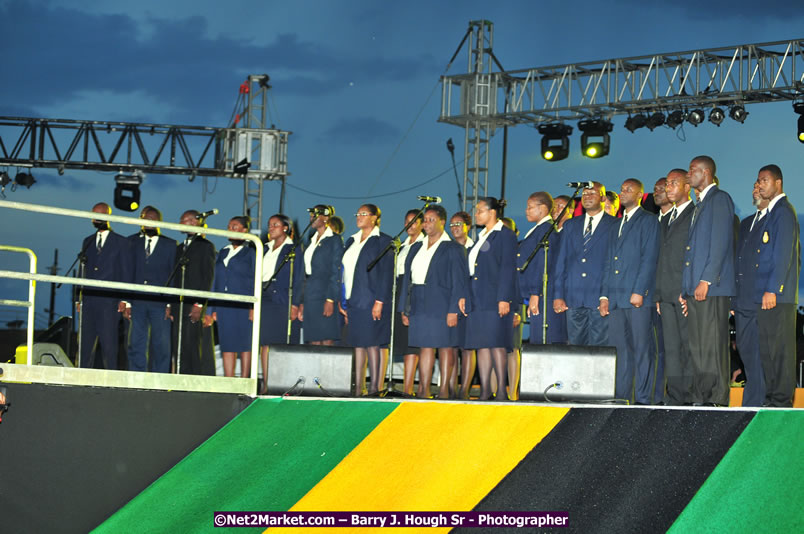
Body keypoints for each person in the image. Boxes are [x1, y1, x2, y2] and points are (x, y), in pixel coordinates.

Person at [682, 155, 736, 406]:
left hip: (711, 288)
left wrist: (705, 280)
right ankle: (701, 397)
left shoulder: (719, 199)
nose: (688, 174)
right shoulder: (700, 204)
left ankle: (717, 399)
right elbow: (693, 251)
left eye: (692, 170)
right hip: (696, 288)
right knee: (698, 346)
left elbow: (720, 243)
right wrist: (686, 288)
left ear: (705, 173)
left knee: (713, 344)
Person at [600, 179, 660, 404]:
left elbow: (649, 258)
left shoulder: (648, 221)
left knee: (642, 349)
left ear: (640, 195)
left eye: (628, 190)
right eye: (622, 189)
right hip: (615, 298)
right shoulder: (616, 224)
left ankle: (643, 398)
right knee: (620, 350)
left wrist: (639, 291)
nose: (623, 192)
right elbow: (608, 261)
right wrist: (604, 296)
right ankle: (621, 396)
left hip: (636, 298)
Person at [400, 205, 468, 399]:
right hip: (419, 302)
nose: (426, 223)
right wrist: (405, 309)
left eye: (431, 220)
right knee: (425, 345)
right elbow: (408, 280)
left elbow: (459, 281)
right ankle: (423, 389)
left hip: (442, 302)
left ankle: (445, 390)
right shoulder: (416, 248)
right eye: (425, 220)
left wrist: (453, 309)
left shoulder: (452, 248)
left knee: (445, 345)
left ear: (442, 222)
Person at [755, 164, 800, 407]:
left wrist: (774, 288)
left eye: (764, 180)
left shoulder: (783, 211)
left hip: (777, 297)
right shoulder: (771, 213)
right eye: (758, 180)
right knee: (768, 351)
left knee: (780, 351)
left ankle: (782, 402)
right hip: (766, 295)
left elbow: (783, 254)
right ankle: (772, 400)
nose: (760, 184)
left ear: (778, 183)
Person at [464, 197, 517, 401]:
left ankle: (502, 390)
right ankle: (486, 389)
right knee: (482, 344)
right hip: (477, 298)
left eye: (479, 211)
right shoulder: (481, 236)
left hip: (495, 297)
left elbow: (507, 268)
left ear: (492, 212)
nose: (476, 214)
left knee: (496, 343)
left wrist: (504, 298)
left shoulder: (504, 235)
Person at [553, 182, 618, 346]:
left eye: (592, 193)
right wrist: (558, 295)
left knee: (599, 349)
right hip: (573, 297)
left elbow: (614, 265)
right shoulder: (570, 225)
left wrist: (607, 295)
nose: (587, 197)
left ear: (603, 198)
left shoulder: (614, 225)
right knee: (575, 348)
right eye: (584, 194)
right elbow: (561, 262)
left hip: (599, 297)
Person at [341, 204, 393, 395]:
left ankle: (374, 387)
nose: (359, 216)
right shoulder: (351, 241)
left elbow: (386, 274)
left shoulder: (383, 241)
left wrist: (380, 301)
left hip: (371, 299)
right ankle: (358, 385)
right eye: (358, 213)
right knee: (358, 342)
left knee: (373, 342)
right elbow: (344, 271)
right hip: (353, 298)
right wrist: (342, 299)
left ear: (374, 218)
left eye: (364, 213)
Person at [656, 169, 695, 405]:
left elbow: (697, 254)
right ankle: (675, 397)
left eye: (674, 183)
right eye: (667, 184)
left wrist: (688, 289)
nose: (668, 188)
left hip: (683, 293)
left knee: (687, 347)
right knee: (671, 348)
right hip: (666, 293)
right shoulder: (666, 218)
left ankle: (690, 396)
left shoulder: (695, 213)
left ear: (687, 187)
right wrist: (658, 295)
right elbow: (661, 258)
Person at [76, 202, 131, 369]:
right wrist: (78, 297)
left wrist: (124, 299)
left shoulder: (121, 242)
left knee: (109, 345)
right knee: (85, 344)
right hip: (89, 300)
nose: (96, 218)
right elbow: (82, 270)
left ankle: (110, 380)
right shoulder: (88, 241)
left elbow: (125, 271)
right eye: (94, 215)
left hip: (109, 302)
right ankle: (82, 377)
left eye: (100, 214)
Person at [126, 206, 176, 373]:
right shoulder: (131, 242)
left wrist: (170, 303)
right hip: (137, 300)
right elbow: (127, 272)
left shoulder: (170, 245)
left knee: (161, 344)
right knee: (135, 342)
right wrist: (126, 301)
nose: (148, 222)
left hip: (160, 302)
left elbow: (173, 275)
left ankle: (160, 378)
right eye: (145, 219)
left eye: (152, 219)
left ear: (159, 221)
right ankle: (137, 377)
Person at [206, 216, 256, 377]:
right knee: (227, 343)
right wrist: (211, 308)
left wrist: (253, 306)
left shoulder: (251, 252)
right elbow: (215, 280)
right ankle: (229, 381)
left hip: (243, 304)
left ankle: (244, 379)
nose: (230, 229)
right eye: (229, 226)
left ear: (244, 230)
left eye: (234, 227)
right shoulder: (223, 252)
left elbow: (256, 280)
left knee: (245, 344)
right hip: (223, 305)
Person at [733, 181, 768, 407]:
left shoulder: (775, 219)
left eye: (759, 186)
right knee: (745, 350)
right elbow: (738, 261)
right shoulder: (745, 223)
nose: (754, 190)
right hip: (742, 300)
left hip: (762, 298)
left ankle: (761, 400)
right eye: (753, 187)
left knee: (760, 352)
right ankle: (752, 399)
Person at [259, 214, 302, 394]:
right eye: (269, 225)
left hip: (282, 299)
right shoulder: (264, 248)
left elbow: (299, 277)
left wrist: (296, 304)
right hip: (264, 296)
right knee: (264, 343)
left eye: (275, 224)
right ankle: (267, 383)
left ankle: (281, 383)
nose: (271, 227)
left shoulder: (293, 249)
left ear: (285, 228)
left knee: (279, 343)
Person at [170, 210, 216, 375]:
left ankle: (194, 380)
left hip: (193, 303)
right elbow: (175, 277)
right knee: (178, 344)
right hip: (179, 304)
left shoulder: (206, 246)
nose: (181, 223)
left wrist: (199, 304)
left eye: (184, 220)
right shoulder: (180, 247)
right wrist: (171, 304)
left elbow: (207, 277)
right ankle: (180, 379)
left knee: (192, 344)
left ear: (195, 222)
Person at [299, 205, 343, 345]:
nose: (312, 218)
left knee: (326, 335)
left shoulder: (334, 240)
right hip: (310, 293)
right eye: (311, 215)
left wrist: (330, 299)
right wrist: (301, 301)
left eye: (316, 215)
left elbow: (336, 271)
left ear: (325, 218)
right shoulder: (311, 240)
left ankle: (326, 367)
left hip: (325, 293)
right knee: (313, 337)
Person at [396, 209, 425, 395]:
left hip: (414, 293)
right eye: (407, 221)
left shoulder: (424, 245)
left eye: (414, 221)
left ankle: (414, 387)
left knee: (415, 344)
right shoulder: (402, 246)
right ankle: (407, 386)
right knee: (404, 343)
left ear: (422, 224)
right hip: (399, 291)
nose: (410, 225)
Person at [449, 210, 476, 398]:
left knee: (467, 347)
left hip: (470, 304)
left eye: (458, 224)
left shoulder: (477, 248)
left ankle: (464, 390)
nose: (455, 228)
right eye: (451, 225)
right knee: (449, 347)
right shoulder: (445, 248)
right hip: (448, 303)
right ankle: (450, 389)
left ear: (468, 226)